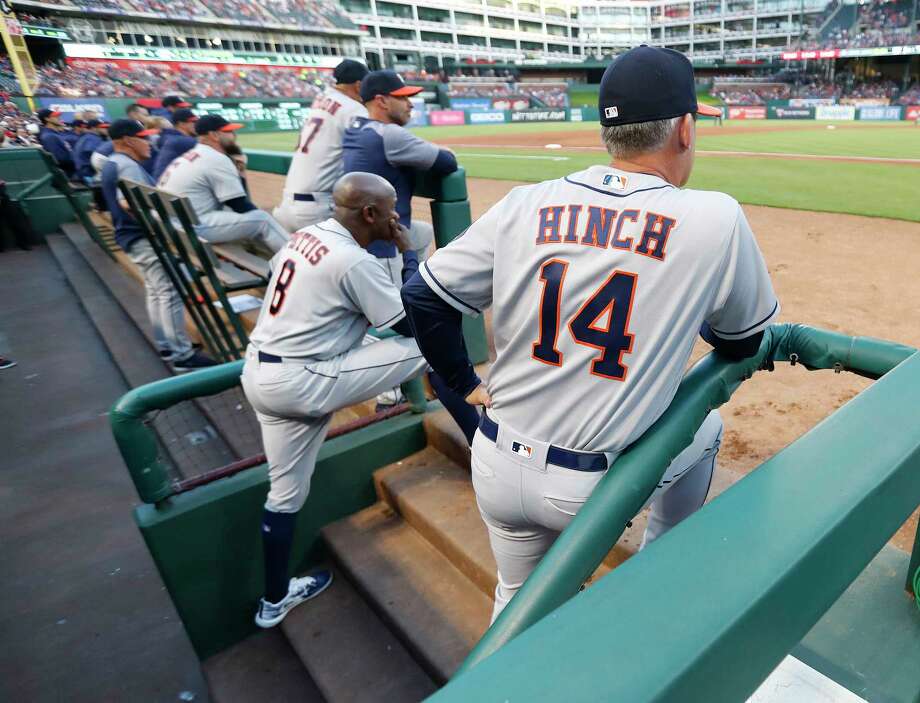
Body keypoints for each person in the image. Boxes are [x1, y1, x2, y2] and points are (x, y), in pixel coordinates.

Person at [401, 46, 779, 622]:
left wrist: (460, 380)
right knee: (705, 427)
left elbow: (423, 295)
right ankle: (660, 572)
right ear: (683, 129)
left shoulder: (527, 201)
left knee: (519, 608)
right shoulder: (715, 217)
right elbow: (744, 342)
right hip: (586, 493)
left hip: (496, 457)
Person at [241, 172, 479, 628]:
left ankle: (273, 602)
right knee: (428, 348)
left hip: (262, 374)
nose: (395, 217)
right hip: (304, 379)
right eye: (390, 209)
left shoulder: (307, 235)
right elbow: (412, 322)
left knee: (285, 494)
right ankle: (484, 445)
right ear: (368, 213)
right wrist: (411, 255)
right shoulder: (351, 260)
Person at [99, 119, 216, 372]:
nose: (149, 142)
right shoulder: (127, 165)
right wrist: (161, 228)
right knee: (167, 292)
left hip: (131, 237)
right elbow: (128, 203)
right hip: (142, 238)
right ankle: (182, 355)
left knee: (156, 291)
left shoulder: (113, 163)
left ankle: (167, 345)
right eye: (143, 137)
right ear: (128, 140)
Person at [343, 70, 457, 286]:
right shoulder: (391, 134)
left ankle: (416, 283)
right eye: (402, 97)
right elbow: (447, 162)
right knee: (398, 315)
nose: (410, 104)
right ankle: (411, 294)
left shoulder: (355, 129)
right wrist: (440, 149)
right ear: (382, 101)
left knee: (422, 233)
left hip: (351, 236)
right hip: (381, 246)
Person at [157, 115, 289, 253]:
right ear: (214, 135)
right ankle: (298, 257)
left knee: (245, 215)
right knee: (263, 220)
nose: (234, 135)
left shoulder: (192, 155)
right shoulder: (216, 158)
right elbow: (239, 205)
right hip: (189, 228)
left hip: (170, 224)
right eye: (229, 132)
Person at [272, 59, 369, 232]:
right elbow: (367, 153)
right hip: (316, 210)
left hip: (286, 206)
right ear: (358, 85)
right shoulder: (354, 108)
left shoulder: (320, 100)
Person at [151, 108, 198, 180]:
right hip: (166, 186)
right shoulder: (180, 141)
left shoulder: (171, 137)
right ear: (181, 124)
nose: (196, 124)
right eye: (193, 122)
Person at [36, 108, 74, 177]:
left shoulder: (54, 134)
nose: (59, 118)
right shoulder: (49, 136)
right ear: (47, 119)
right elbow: (61, 160)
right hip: (69, 175)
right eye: (55, 116)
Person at [73, 119, 110, 184]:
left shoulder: (86, 137)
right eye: (103, 127)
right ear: (94, 128)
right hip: (89, 173)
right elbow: (91, 152)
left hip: (82, 171)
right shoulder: (93, 138)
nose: (106, 129)